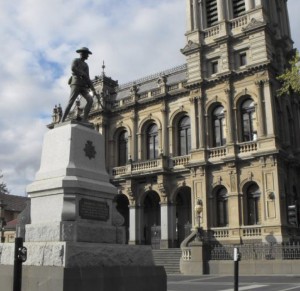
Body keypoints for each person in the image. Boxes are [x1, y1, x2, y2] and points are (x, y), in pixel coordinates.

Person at [61, 47, 98, 122]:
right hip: (76, 83)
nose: (88, 56)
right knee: (71, 102)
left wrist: (93, 89)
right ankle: (62, 120)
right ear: (82, 54)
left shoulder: (86, 65)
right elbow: (73, 68)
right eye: (87, 54)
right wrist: (82, 73)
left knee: (90, 100)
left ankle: (84, 120)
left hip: (83, 85)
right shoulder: (76, 60)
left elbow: (87, 77)